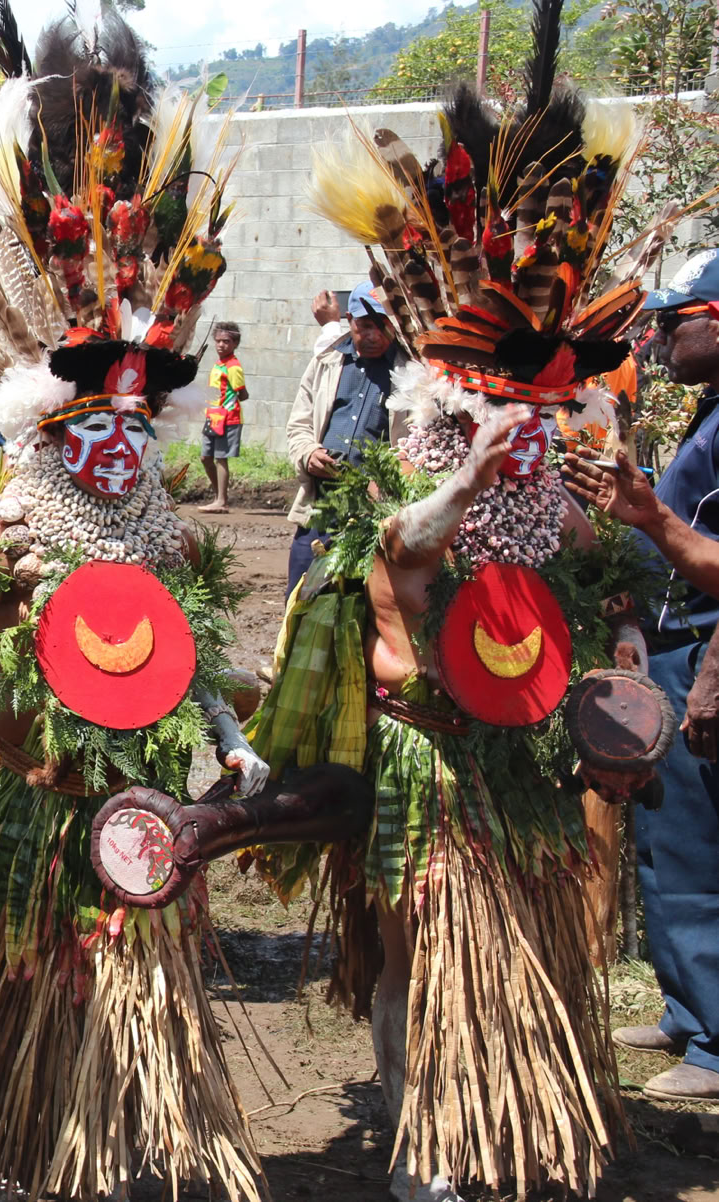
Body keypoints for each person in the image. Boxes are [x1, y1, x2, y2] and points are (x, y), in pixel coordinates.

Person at [247, 31, 673, 1197]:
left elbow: (589, 582)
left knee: (534, 936)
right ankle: (421, 1137)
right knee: (416, 942)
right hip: (426, 760)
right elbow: (401, 559)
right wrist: (470, 479)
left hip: (519, 755)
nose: (529, 421)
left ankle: (521, 1119)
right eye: (508, 399)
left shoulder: (552, 483)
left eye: (545, 401)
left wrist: (623, 624)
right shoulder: (415, 484)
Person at [0, 17, 271, 1198]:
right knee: (15, 974)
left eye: (128, 427)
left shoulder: (159, 528)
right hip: (34, 796)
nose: (113, 447)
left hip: (136, 795)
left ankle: (110, 1138)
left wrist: (225, 730)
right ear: (48, 431)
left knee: (121, 979)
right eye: (88, 429)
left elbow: (193, 649)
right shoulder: (15, 520)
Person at [560, 245, 719, 1103]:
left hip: (704, 652)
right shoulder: (707, 411)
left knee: (697, 850)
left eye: (673, 322)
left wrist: (709, 674)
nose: (656, 338)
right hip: (667, 646)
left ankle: (715, 1042)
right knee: (666, 846)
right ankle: (686, 1009)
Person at [283, 281, 407, 594]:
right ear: (349, 320)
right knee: (301, 598)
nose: (373, 336)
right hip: (319, 510)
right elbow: (298, 425)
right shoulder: (326, 362)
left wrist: (389, 481)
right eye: (364, 325)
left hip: (376, 516)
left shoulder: (409, 374)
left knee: (361, 607)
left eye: (383, 326)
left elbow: (417, 446)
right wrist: (309, 453)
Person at [199, 320, 246, 512]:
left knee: (220, 458)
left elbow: (243, 394)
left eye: (226, 341)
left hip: (228, 419)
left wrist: (226, 405)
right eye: (218, 341)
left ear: (234, 344)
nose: (221, 345)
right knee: (205, 457)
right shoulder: (219, 364)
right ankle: (218, 496)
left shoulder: (233, 367)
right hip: (213, 416)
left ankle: (222, 500)